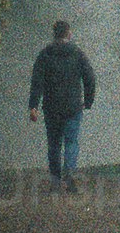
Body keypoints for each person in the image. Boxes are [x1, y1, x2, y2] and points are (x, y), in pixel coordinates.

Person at [27, 20, 95, 190]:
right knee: (71, 141)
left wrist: (33, 105)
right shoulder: (78, 54)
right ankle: (70, 171)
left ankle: (55, 181)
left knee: (54, 143)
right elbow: (90, 77)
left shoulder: (45, 55)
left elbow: (37, 82)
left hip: (51, 107)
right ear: (68, 34)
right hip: (73, 106)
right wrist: (88, 100)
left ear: (54, 34)